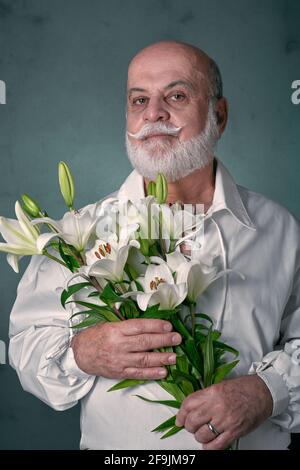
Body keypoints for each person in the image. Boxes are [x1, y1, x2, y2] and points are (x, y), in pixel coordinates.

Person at [8, 40, 300, 450]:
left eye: (176, 96)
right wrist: (81, 353)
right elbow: (25, 349)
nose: (153, 114)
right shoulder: (79, 233)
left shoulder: (280, 229)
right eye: (139, 99)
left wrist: (268, 392)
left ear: (219, 114)